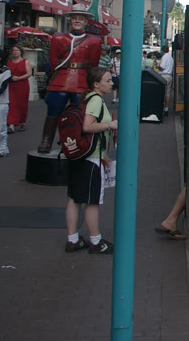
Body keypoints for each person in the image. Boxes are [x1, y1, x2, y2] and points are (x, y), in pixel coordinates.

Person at [64, 66, 117, 255]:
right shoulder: (96, 100)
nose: (111, 83)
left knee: (75, 198)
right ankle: (96, 241)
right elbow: (88, 126)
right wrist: (110, 124)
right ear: (96, 84)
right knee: (92, 200)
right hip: (91, 158)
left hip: (81, 155)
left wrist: (104, 155)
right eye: (107, 81)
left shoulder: (87, 98)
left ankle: (73, 239)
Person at [38, 5, 102, 153]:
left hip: (81, 81)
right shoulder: (58, 38)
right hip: (61, 79)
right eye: (75, 18)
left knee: (79, 114)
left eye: (81, 19)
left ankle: (76, 144)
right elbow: (53, 61)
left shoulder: (94, 41)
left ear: (86, 22)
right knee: (53, 111)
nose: (77, 21)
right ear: (70, 21)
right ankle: (46, 141)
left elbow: (93, 64)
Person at [5, 44, 32, 135]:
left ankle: (22, 122)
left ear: (21, 52)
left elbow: (29, 73)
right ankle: (11, 125)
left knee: (22, 104)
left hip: (22, 85)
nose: (15, 52)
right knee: (12, 104)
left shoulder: (25, 61)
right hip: (11, 85)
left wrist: (19, 78)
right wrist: (11, 78)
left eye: (17, 50)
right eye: (14, 50)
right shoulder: (9, 62)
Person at [158, 45, 174, 115]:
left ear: (162, 51)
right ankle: (166, 109)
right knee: (168, 93)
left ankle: (160, 108)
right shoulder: (171, 58)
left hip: (163, 76)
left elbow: (162, 67)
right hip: (169, 76)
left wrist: (157, 66)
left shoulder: (164, 57)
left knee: (161, 92)